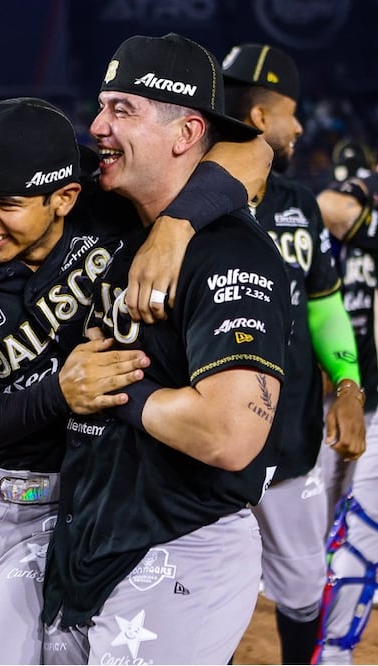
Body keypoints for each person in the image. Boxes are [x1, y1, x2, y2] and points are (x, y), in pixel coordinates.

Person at [0, 96, 271, 663]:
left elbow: (253, 150)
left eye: (4, 203)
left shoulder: (104, 193)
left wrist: (175, 228)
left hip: (71, 503)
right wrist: (62, 391)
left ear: (64, 198)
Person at [40, 33, 292, 664]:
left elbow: (230, 433)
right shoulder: (109, 208)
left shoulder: (231, 252)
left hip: (180, 545)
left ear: (185, 134)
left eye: (122, 110)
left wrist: (113, 386)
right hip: (90, 545)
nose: (97, 125)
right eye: (101, 106)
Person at [220, 42, 366, 665]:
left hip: (292, 447)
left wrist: (350, 386)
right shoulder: (183, 207)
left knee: (303, 591)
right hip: (205, 454)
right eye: (290, 112)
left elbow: (325, 303)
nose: (300, 126)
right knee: (197, 586)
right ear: (260, 120)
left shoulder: (300, 206)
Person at [314, 141, 378, 664]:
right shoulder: (351, 226)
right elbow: (325, 208)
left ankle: (332, 647)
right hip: (343, 385)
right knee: (330, 500)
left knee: (361, 520)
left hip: (366, 392)